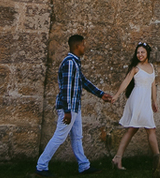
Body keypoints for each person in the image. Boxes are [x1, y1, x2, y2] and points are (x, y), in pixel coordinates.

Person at [36, 34, 113, 176]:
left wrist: (101, 94)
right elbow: (66, 88)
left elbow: (83, 82)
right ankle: (41, 166)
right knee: (59, 136)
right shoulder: (70, 63)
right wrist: (67, 111)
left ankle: (84, 166)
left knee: (77, 137)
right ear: (77, 46)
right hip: (69, 108)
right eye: (83, 44)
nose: (85, 47)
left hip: (74, 107)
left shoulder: (75, 63)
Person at [109, 41, 160, 169]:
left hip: (146, 102)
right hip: (137, 99)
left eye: (142, 52)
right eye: (138, 52)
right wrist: (116, 95)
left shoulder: (152, 67)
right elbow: (126, 82)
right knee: (141, 129)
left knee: (146, 129)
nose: (140, 54)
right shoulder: (136, 68)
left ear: (147, 52)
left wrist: (154, 101)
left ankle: (117, 158)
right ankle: (158, 162)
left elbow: (153, 85)